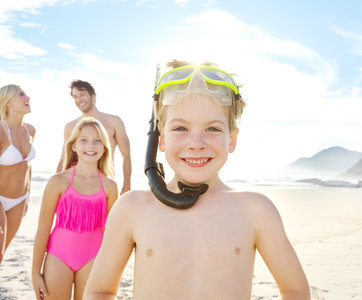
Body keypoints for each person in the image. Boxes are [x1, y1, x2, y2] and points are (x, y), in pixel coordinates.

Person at [84, 60, 310, 299]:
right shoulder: (132, 208)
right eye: (181, 128)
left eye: (212, 129)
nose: (196, 143)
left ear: (232, 139)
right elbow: (99, 290)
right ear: (160, 139)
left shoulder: (256, 210)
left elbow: (294, 289)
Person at [32, 117, 118, 300]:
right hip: (58, 257)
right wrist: (35, 274)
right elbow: (43, 229)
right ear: (73, 146)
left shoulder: (110, 186)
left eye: (97, 141)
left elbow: (112, 235)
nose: (91, 146)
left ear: (104, 147)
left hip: (93, 258)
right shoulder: (58, 181)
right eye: (84, 140)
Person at [56, 80, 131, 195]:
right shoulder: (70, 127)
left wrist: (127, 185)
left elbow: (126, 155)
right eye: (75, 97)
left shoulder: (114, 122)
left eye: (82, 95)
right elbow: (63, 159)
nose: (78, 100)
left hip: (105, 185)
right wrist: (56, 187)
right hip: (75, 187)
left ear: (93, 96)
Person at [0, 84, 36, 264]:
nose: (27, 97)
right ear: (8, 102)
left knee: (2, 252)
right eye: (22, 94)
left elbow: (27, 166)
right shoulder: (1, 130)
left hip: (19, 200)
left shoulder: (30, 130)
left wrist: (27, 196)